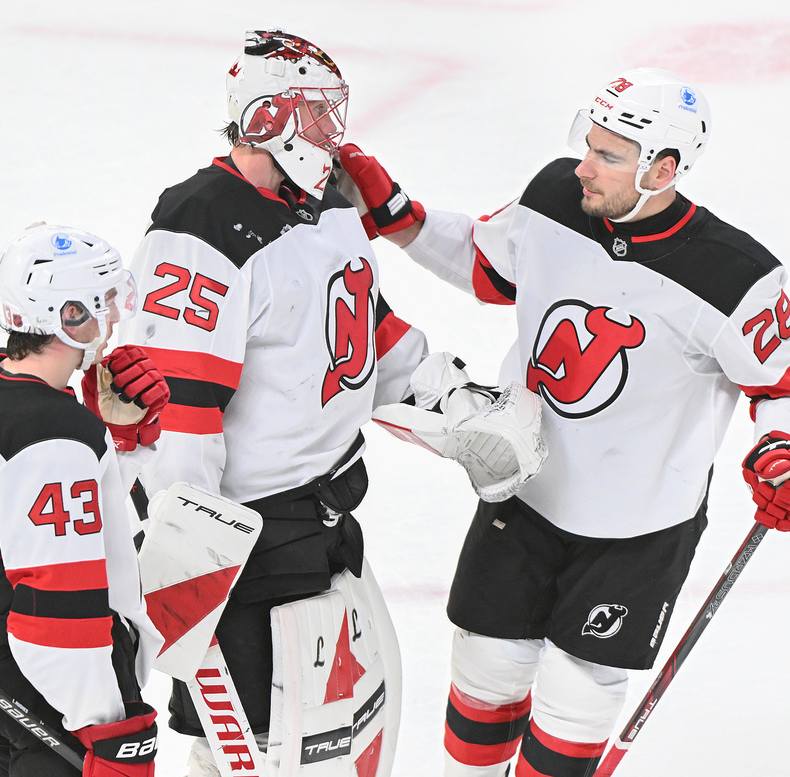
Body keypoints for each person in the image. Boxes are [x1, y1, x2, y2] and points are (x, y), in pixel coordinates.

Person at [336, 68, 790, 777]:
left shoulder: (733, 276)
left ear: (664, 168)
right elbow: (486, 262)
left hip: (640, 528)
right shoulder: (552, 198)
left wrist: (783, 449)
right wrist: (399, 215)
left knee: (578, 693)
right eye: (587, 144)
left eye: (608, 156)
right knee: (485, 666)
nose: (583, 166)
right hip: (526, 490)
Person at [120, 28, 543, 777]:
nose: (332, 133)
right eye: (317, 114)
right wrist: (185, 549)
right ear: (267, 117)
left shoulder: (330, 199)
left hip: (326, 519)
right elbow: (182, 407)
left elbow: (359, 335)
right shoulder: (201, 225)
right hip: (247, 541)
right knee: (258, 750)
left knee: (329, 740)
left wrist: (448, 401)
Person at [0, 223, 169, 777]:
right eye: (103, 302)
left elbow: (12, 514)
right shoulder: (51, 436)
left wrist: (114, 441)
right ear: (69, 317)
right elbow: (57, 613)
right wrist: (110, 727)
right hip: (47, 699)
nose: (114, 316)